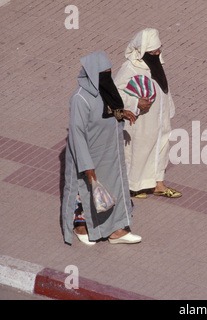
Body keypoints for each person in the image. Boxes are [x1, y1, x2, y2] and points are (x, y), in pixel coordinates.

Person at [61, 51, 142, 246]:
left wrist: (121, 113)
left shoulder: (104, 90)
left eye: (109, 72)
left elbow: (106, 111)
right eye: (103, 74)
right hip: (90, 155)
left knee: (111, 189)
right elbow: (77, 134)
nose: (108, 77)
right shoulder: (80, 98)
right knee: (85, 191)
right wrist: (86, 164)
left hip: (109, 153)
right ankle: (81, 227)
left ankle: (116, 230)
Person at [114, 28, 182, 199]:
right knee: (140, 151)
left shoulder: (156, 63)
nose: (157, 53)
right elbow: (115, 94)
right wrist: (136, 103)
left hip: (160, 119)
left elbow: (163, 88)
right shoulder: (130, 68)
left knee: (161, 148)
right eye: (152, 51)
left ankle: (158, 184)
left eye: (158, 49)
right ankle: (134, 186)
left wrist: (168, 110)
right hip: (141, 121)